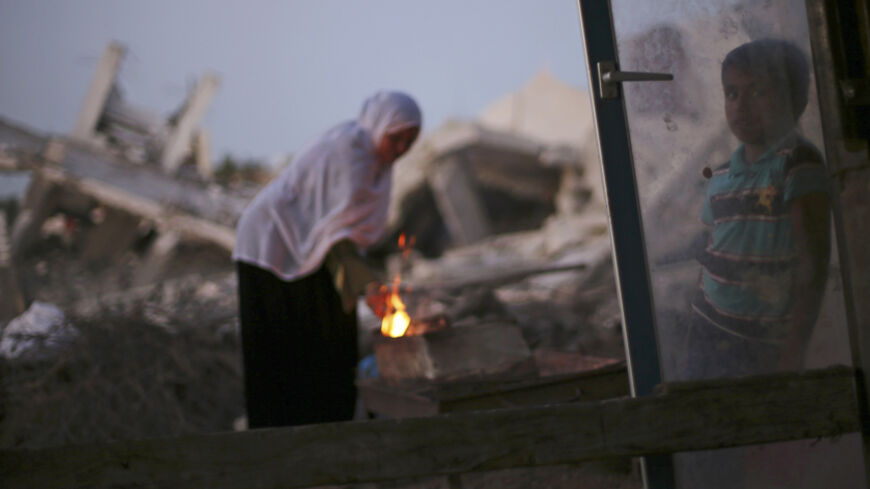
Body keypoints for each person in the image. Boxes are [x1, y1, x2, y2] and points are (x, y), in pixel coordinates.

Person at [232, 91, 421, 428]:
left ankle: (329, 432)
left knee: (332, 343)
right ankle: (279, 443)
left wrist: (369, 286)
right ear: (380, 127)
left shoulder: (377, 167)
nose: (402, 149)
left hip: (317, 254)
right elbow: (334, 234)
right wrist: (370, 287)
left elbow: (345, 238)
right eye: (396, 138)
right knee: (280, 348)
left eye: (410, 140)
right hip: (272, 246)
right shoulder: (348, 154)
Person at [687, 38, 831, 381]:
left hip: (761, 339)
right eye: (732, 93)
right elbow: (714, 245)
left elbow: (813, 261)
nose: (741, 106)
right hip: (708, 323)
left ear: (797, 100)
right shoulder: (721, 175)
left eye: (757, 92)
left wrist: (793, 351)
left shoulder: (798, 163)